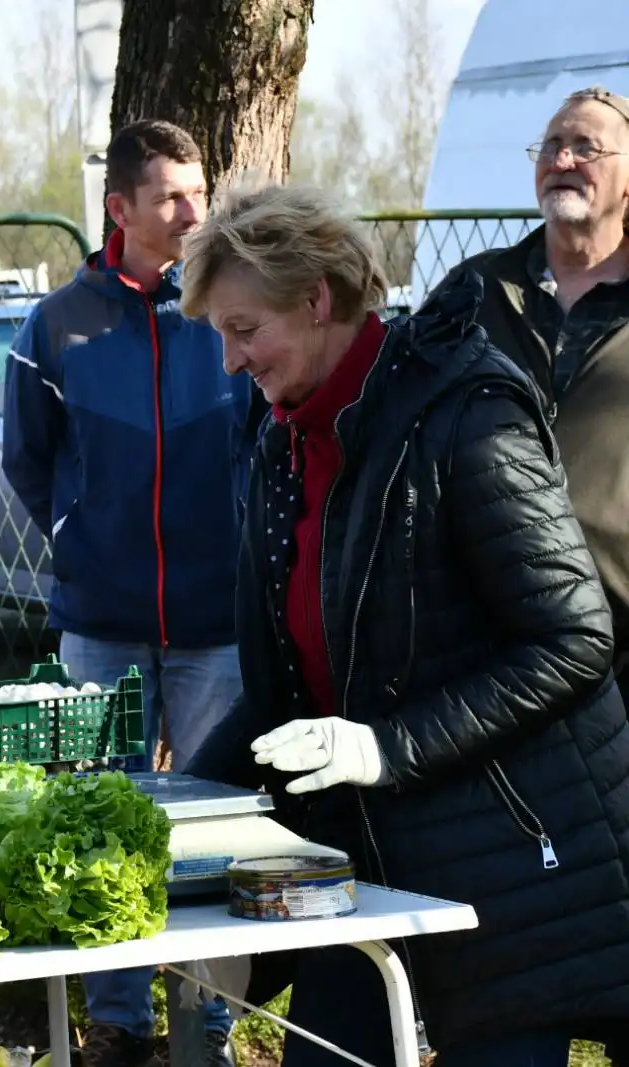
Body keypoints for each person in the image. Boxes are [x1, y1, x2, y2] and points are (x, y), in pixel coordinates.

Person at [178, 180, 629, 1066]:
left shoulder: (466, 414)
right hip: (362, 864)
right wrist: (179, 803)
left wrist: (384, 745)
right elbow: (288, 691)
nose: (231, 361)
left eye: (243, 329)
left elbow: (574, 640)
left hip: (513, 869)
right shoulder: (286, 445)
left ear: (315, 299)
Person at [3, 119, 251, 1067]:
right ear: (121, 210)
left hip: (213, 623)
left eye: (200, 192)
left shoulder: (224, 308)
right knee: (102, 821)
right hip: (101, 625)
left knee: (210, 818)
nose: (194, 211)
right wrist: (77, 544)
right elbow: (27, 460)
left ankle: (209, 1025)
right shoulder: (58, 324)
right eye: (173, 198)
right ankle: (119, 1023)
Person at [433, 81, 629, 1066]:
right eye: (552, 143)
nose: (565, 160)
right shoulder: (473, 292)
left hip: (622, 645)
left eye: (588, 145)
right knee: (522, 904)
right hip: (498, 650)